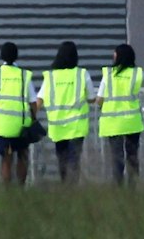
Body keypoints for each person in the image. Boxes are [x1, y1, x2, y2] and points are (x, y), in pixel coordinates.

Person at [37, 40, 90, 182]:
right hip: (77, 127)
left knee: (62, 159)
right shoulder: (82, 74)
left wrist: (30, 117)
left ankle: (65, 187)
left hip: (58, 127)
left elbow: (39, 100)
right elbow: (91, 98)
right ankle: (72, 190)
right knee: (74, 160)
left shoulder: (51, 77)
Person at [93, 43, 144, 185]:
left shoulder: (108, 75)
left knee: (117, 157)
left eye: (114, 53)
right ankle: (133, 188)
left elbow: (99, 100)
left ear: (118, 56)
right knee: (132, 156)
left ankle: (118, 188)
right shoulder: (137, 73)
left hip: (113, 123)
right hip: (132, 121)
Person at [0, 41, 35, 185]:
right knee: (22, 156)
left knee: (6, 158)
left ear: (2, 56)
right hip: (21, 125)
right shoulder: (24, 75)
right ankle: (21, 188)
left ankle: (7, 190)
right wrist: (33, 119)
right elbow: (32, 101)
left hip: (2, 126)